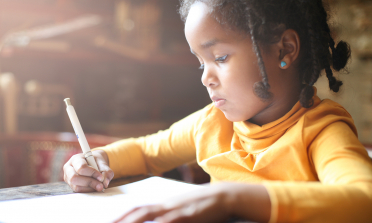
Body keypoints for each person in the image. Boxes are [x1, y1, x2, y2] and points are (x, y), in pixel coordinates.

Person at [63, 0, 372, 222]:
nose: (205, 77)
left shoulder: (321, 131)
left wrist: (231, 198)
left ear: (284, 50)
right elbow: (145, 152)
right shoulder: (212, 123)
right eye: (201, 62)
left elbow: (364, 201)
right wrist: (97, 161)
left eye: (220, 57)